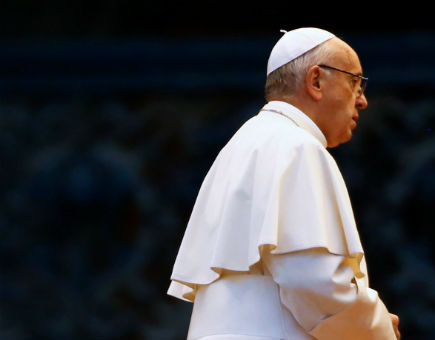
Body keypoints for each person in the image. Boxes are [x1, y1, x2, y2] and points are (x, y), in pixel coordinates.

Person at [168, 27, 401, 340]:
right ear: (316, 81)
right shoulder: (297, 146)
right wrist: (378, 326)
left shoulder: (242, 145)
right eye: (355, 82)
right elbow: (314, 282)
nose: (363, 101)